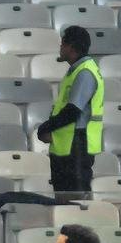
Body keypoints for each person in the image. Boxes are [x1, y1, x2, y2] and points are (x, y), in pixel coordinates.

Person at [35, 25, 102, 195]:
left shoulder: (84, 73)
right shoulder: (76, 71)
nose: (60, 47)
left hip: (76, 147)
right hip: (67, 147)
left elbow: (72, 111)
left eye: (62, 43)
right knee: (64, 202)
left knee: (76, 202)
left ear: (70, 47)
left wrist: (45, 128)